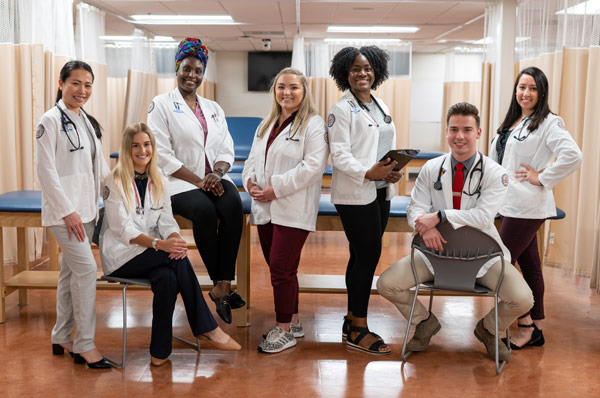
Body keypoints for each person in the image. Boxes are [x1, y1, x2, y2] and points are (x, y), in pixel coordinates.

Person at [377, 102, 534, 362]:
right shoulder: (431, 168)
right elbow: (415, 209)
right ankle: (424, 321)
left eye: (467, 129)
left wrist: (440, 217)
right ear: (446, 132)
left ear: (479, 133)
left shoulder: (496, 174)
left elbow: (484, 216)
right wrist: (424, 229)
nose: (459, 136)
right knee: (387, 284)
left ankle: (489, 329)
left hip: (483, 258)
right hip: (435, 253)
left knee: (523, 299)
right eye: (453, 129)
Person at [100, 123, 241, 367]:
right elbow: (122, 230)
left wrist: (174, 237)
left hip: (152, 253)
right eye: (135, 145)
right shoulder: (113, 181)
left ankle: (159, 352)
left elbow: (165, 219)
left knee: (167, 276)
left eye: (147, 144)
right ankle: (207, 327)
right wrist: (161, 244)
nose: (142, 150)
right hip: (122, 257)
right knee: (176, 259)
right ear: (126, 149)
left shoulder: (159, 179)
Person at [147, 38, 245, 324]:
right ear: (177, 68)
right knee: (204, 210)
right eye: (186, 69)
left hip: (211, 177)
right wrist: (199, 181)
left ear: (204, 73)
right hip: (177, 181)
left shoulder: (213, 107)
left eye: (198, 70)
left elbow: (226, 146)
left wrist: (216, 173)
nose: (192, 75)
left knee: (232, 204)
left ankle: (222, 285)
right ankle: (222, 283)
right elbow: (161, 154)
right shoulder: (161, 104)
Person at [490, 67, 582, 349]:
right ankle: (536, 328)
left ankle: (525, 324)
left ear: (541, 92)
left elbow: (573, 156)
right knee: (530, 267)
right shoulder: (513, 121)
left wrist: (541, 178)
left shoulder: (550, 123)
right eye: (521, 87)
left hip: (527, 205)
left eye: (531, 88)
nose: (525, 93)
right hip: (509, 203)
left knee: (501, 262)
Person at [242, 68, 329, 353]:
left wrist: (274, 188)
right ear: (274, 90)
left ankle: (282, 329)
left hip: (292, 206)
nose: (286, 93)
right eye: (281, 87)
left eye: (293, 87)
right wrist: (250, 182)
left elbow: (312, 168)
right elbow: (252, 160)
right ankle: (292, 321)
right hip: (265, 204)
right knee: (281, 268)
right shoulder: (266, 123)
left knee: (280, 268)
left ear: (304, 92)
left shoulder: (313, 125)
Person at [35, 61, 111, 369]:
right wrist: (68, 212)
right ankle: (85, 345)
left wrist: (115, 195)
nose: (82, 90)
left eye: (88, 85)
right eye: (76, 83)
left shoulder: (86, 121)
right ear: (61, 83)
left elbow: (99, 166)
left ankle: (61, 336)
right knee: (85, 272)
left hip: (88, 210)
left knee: (69, 274)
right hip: (66, 214)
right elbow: (46, 170)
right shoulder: (50, 120)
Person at [327, 46, 403, 355]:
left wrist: (391, 171)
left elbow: (385, 142)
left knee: (359, 256)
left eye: (368, 68)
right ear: (345, 73)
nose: (363, 73)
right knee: (369, 254)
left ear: (377, 72)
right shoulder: (341, 109)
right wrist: (368, 172)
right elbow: (340, 153)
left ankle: (350, 319)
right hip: (355, 193)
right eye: (356, 69)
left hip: (381, 190)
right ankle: (359, 327)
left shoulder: (380, 104)